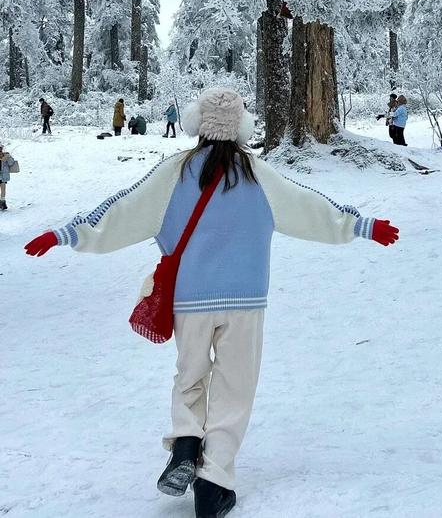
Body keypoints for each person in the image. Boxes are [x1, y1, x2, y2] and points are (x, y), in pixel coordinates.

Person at [24, 88, 399, 518]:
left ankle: (186, 440)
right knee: (234, 388)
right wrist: (362, 225)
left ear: (195, 123)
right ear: (241, 128)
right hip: (246, 300)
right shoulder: (257, 174)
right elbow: (310, 205)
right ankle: (214, 483)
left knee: (190, 376)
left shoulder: (174, 173)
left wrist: (67, 234)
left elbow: (121, 211)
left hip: (190, 300)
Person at [0, 142, 19, 210]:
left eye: (0, 148)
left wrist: (8, 157)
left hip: (3, 176)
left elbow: (11, 163)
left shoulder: (5, 156)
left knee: (3, 190)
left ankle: (2, 202)